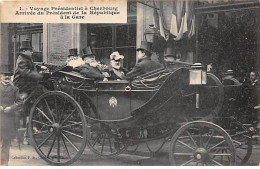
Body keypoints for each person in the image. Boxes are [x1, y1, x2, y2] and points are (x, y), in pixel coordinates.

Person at [13, 39, 47, 145]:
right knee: (23, 108)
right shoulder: (21, 59)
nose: (32, 52)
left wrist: (41, 68)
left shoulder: (27, 59)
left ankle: (39, 110)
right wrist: (40, 75)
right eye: (30, 50)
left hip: (29, 85)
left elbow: (33, 68)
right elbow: (26, 72)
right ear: (24, 51)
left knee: (31, 104)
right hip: (22, 86)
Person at [0, 68, 22, 165]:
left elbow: (19, 102)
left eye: (9, 75)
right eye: (5, 75)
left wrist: (11, 108)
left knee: (6, 143)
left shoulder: (15, 89)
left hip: (8, 120)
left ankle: (4, 164)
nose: (7, 77)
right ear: (0, 76)